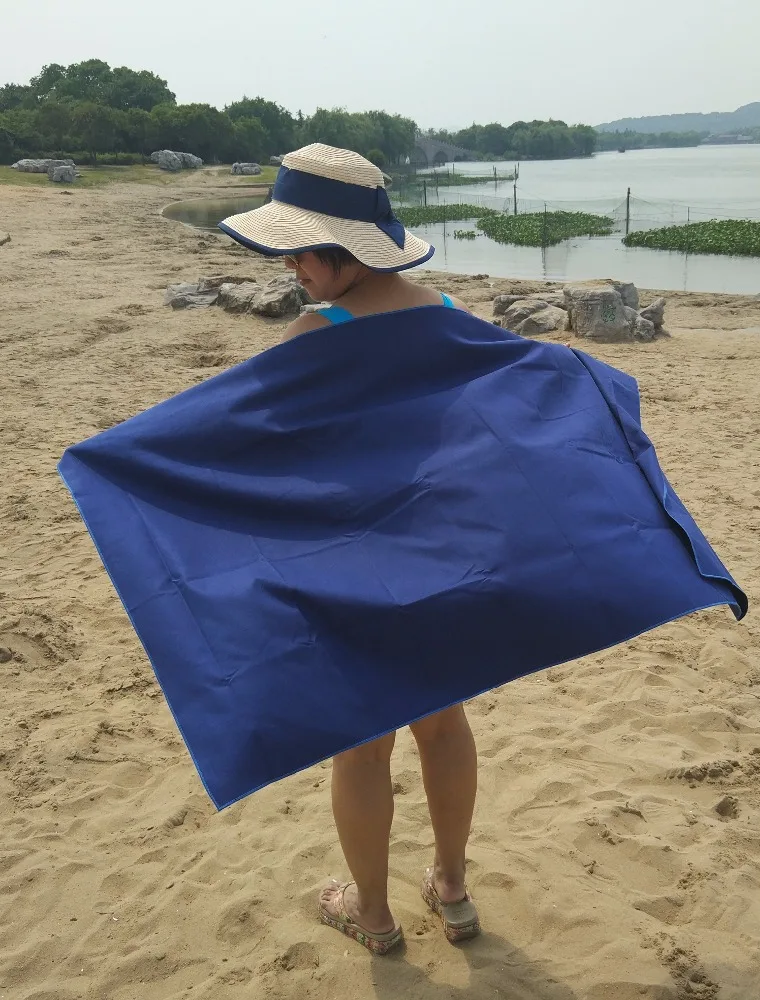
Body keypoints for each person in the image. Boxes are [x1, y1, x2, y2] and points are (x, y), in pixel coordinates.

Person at [219, 143, 481, 954]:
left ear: (344, 249)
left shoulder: (313, 336)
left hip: (353, 565)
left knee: (362, 749)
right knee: (444, 726)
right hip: (438, 556)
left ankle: (371, 913)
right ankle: (452, 888)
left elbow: (261, 455)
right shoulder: (449, 318)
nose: (289, 265)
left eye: (300, 249)